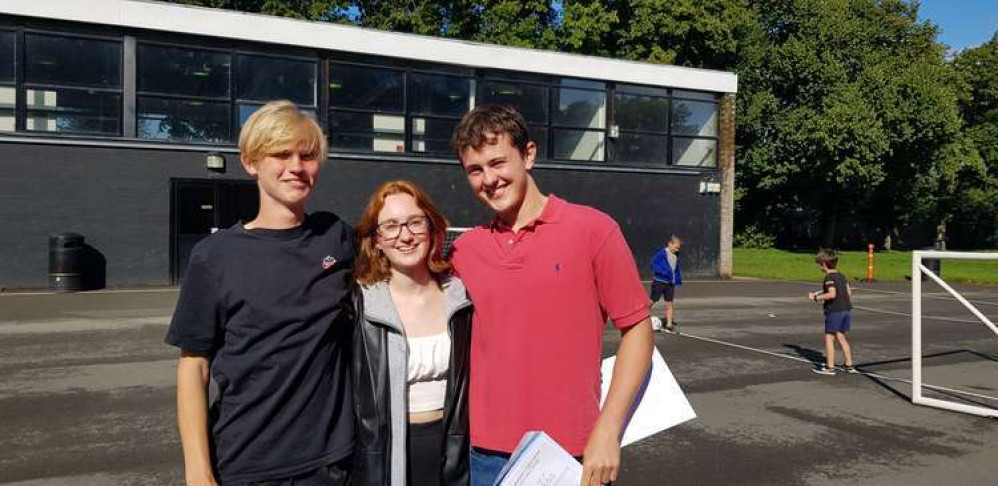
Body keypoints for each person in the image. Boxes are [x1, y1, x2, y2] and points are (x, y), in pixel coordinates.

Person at [449, 104, 654, 486]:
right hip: (487, 456)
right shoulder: (465, 251)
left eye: (497, 162)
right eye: (475, 170)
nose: (488, 179)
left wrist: (609, 430)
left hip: (573, 453)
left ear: (529, 155)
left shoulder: (593, 230)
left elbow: (638, 330)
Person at [166, 100, 355, 485]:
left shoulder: (336, 236)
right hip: (248, 463)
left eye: (307, 155)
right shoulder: (215, 256)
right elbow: (193, 367)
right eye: (281, 154)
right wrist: (198, 471)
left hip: (334, 462)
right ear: (251, 162)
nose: (297, 166)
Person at [351, 180, 473, 486]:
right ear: (376, 239)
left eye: (415, 222)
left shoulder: (459, 297)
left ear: (431, 228)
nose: (405, 236)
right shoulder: (359, 304)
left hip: (454, 451)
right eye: (391, 226)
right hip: (385, 456)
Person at [808, 249, 857, 376]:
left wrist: (816, 298)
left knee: (829, 338)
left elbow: (832, 294)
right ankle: (849, 365)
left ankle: (830, 367)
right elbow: (849, 292)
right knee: (841, 336)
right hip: (845, 310)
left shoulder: (828, 278)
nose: (819, 266)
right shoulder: (841, 276)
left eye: (820, 264)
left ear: (824, 264)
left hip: (835, 311)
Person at [649, 235, 683, 333]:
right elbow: (653, 264)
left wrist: (676, 279)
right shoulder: (661, 254)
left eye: (678, 248)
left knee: (669, 303)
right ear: (669, 244)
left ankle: (669, 324)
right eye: (676, 247)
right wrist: (663, 272)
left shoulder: (676, 256)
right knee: (652, 300)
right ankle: (641, 317)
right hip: (659, 281)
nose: (677, 250)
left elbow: (675, 269)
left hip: (670, 283)